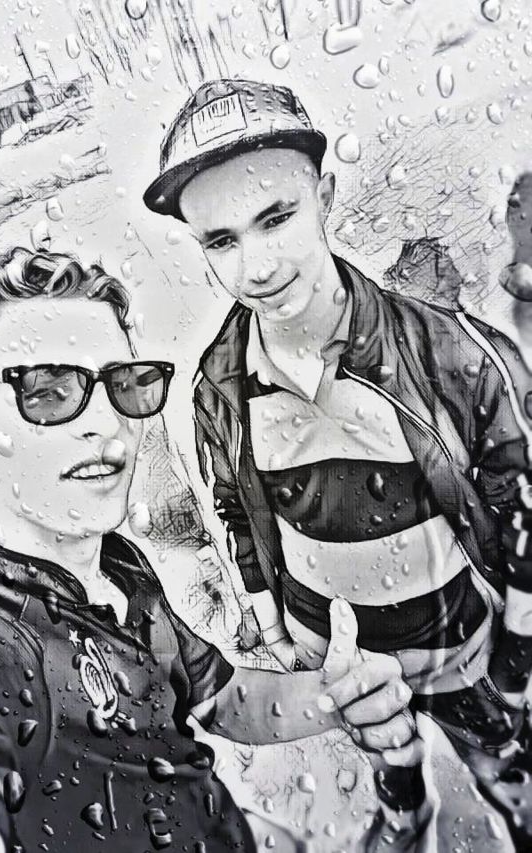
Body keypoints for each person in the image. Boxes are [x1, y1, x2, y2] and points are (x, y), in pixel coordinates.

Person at [0, 248, 418, 853]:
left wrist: (335, 698)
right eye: (48, 390)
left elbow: (220, 700)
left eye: (123, 386)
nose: (107, 423)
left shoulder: (121, 568)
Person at [143, 78, 532, 846]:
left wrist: (516, 653)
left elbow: (520, 499)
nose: (256, 266)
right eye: (221, 240)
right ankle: (403, 809)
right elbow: (234, 507)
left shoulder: (442, 350)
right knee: (389, 758)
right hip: (341, 658)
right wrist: (277, 631)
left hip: (463, 648)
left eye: (276, 217)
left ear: (322, 195)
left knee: (509, 770)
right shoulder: (220, 384)